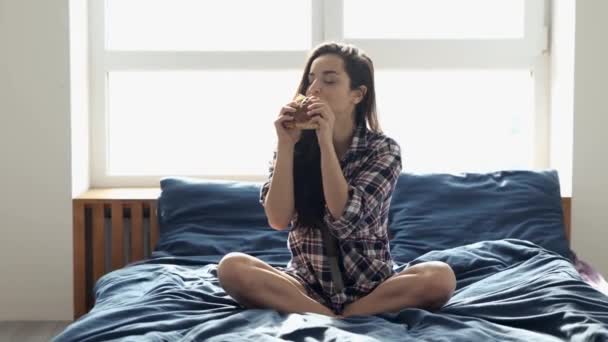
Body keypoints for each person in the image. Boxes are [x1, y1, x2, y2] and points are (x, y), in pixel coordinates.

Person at [217, 42, 456, 318]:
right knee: (231, 267)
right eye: (311, 80)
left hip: (372, 286)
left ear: (357, 94)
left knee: (441, 277)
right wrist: (285, 145)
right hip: (306, 285)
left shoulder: (383, 150)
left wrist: (325, 143)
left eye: (329, 80)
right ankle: (332, 315)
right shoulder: (293, 147)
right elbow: (278, 219)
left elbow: (345, 218)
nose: (314, 89)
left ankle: (338, 314)